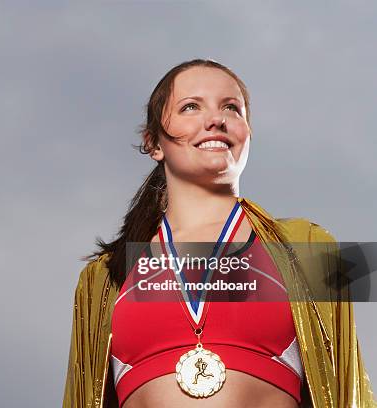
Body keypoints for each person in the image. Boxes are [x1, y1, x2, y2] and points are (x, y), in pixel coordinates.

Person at [62, 59, 376, 408]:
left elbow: (348, 388)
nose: (216, 119)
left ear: (247, 133)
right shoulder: (104, 276)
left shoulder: (309, 247)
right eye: (191, 107)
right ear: (153, 144)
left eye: (231, 107)